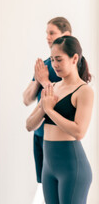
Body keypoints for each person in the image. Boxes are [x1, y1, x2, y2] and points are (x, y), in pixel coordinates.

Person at [26, 35, 93, 203]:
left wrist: (49, 109)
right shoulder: (52, 88)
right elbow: (29, 125)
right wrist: (43, 108)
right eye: (52, 59)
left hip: (72, 168)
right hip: (48, 168)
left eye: (59, 59)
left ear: (74, 58)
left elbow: (79, 132)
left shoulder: (83, 91)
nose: (54, 65)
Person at [22, 17, 72, 187]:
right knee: (45, 188)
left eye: (52, 33)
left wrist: (44, 82)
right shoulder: (44, 65)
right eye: (47, 33)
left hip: (59, 138)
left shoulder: (72, 63)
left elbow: (68, 94)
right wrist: (38, 79)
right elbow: (26, 99)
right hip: (39, 135)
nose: (48, 37)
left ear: (66, 35)